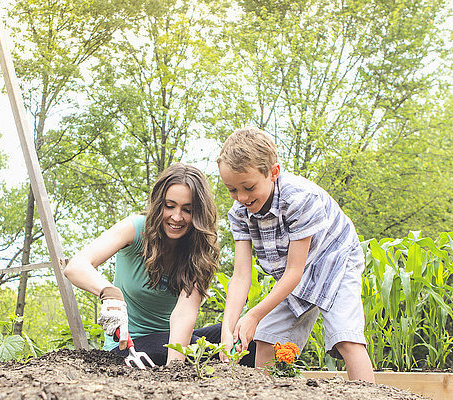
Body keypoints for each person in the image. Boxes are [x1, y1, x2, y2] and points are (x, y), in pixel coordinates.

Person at [216, 127, 374, 382]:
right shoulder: (238, 213)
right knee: (266, 339)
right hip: (295, 273)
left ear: (273, 173)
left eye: (248, 187)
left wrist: (254, 314)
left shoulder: (299, 199)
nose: (241, 197)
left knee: (346, 337)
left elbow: (294, 272)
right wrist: (227, 329)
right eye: (232, 190)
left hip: (336, 259)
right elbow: (241, 275)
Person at [64, 163, 255, 366]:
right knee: (161, 348)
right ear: (158, 204)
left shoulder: (199, 252)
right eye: (169, 206)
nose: (176, 217)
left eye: (187, 210)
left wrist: (175, 367)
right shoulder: (136, 228)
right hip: (128, 346)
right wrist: (108, 292)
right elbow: (76, 266)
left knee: (244, 335)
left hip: (173, 342)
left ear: (198, 214)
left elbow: (184, 315)